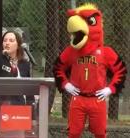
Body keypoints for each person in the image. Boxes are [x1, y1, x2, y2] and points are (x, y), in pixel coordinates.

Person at [53, 3, 127, 138]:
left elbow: (120, 70)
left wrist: (110, 89)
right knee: (74, 132)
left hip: (97, 98)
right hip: (78, 97)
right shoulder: (71, 51)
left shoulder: (106, 52)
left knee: (100, 132)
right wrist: (65, 84)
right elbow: (58, 67)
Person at [0, 30, 34, 104]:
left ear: (18, 45)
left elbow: (28, 88)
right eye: (5, 41)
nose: (7, 43)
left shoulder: (25, 64)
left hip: (20, 106)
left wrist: (31, 106)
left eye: (11, 41)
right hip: (0, 105)